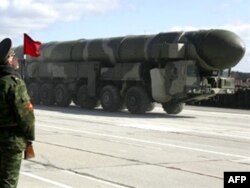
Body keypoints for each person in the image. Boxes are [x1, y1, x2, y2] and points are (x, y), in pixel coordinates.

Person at [0, 38, 35, 188]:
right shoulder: (13, 82)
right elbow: (26, 116)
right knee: (8, 181)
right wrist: (29, 138)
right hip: (10, 142)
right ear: (8, 60)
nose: (16, 58)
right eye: (13, 55)